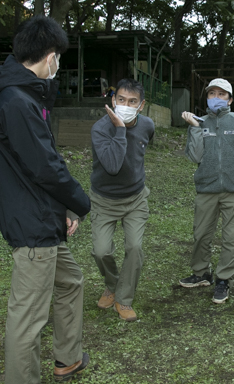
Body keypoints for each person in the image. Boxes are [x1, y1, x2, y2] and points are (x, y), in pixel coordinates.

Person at [0, 16, 91, 384]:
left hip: (43, 215)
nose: (58, 64)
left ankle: (67, 356)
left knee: (71, 281)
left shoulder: (28, 96)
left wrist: (62, 209)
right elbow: (46, 167)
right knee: (28, 318)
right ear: (48, 57)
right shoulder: (17, 102)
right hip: (31, 224)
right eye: (58, 58)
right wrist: (79, 202)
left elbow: (40, 164)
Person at [179, 78, 234, 304]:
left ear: (230, 99)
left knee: (231, 238)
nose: (216, 98)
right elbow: (195, 157)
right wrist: (196, 129)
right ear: (206, 97)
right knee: (201, 234)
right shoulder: (199, 122)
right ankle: (201, 273)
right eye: (212, 93)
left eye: (222, 94)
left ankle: (223, 279)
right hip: (207, 189)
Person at [90, 78, 154, 322]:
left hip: (135, 198)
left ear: (141, 105)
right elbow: (114, 166)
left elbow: (142, 147)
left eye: (132, 102)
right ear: (113, 100)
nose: (126, 105)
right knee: (100, 251)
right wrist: (119, 128)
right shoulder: (100, 129)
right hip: (103, 199)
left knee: (134, 248)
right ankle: (112, 284)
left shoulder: (147, 124)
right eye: (121, 100)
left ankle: (124, 298)